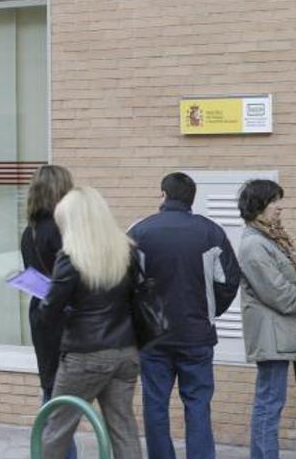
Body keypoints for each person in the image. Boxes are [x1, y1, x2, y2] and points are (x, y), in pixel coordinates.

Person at [128, 172, 240, 459]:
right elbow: (228, 282)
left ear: (163, 195)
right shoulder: (211, 232)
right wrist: (210, 312)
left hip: (154, 337)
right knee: (198, 404)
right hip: (197, 335)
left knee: (155, 405)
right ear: (192, 198)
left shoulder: (139, 231)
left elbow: (123, 283)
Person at [36, 187, 142, 459]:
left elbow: (50, 312)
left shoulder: (71, 258)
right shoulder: (127, 251)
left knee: (57, 426)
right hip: (125, 351)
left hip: (85, 354)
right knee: (123, 427)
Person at [237, 180, 296, 459]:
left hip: (278, 332)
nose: (280, 207)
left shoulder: (269, 239)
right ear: (258, 207)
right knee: (269, 404)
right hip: (270, 334)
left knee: (271, 402)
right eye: (274, 202)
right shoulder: (254, 245)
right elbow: (279, 294)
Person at [19, 165, 77, 459]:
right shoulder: (65, 230)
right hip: (69, 316)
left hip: (41, 315)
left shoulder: (29, 232)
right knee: (67, 399)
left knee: (51, 390)